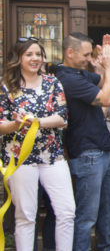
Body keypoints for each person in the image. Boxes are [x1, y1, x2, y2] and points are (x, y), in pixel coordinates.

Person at [0, 37, 75, 250]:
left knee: (67, 211)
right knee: (25, 215)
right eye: (29, 54)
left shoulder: (53, 83)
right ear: (19, 58)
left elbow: (62, 118)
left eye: (38, 54)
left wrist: (36, 122)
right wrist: (15, 125)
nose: (35, 59)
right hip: (20, 158)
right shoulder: (6, 86)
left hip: (52, 155)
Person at [55, 32, 110, 251]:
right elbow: (107, 98)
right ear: (69, 52)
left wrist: (102, 65)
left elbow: (103, 82)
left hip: (103, 148)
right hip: (86, 153)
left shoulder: (81, 73)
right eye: (85, 54)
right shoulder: (67, 78)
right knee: (86, 216)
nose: (87, 58)